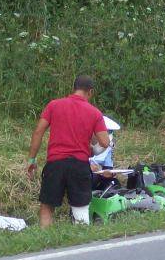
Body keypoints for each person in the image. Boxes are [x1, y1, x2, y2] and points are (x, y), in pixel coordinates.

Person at [27, 75, 110, 227]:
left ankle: (44, 242)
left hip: (55, 163)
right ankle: (81, 240)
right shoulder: (95, 113)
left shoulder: (54, 105)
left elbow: (38, 131)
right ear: (90, 92)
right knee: (80, 208)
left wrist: (31, 160)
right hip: (79, 165)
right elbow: (105, 142)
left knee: (47, 206)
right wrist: (91, 147)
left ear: (74, 88)